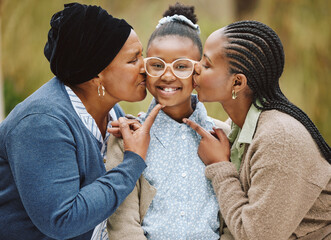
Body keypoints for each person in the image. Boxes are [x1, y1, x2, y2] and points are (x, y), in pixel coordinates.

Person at [0, 3, 162, 240]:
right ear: (96, 74)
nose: (145, 67)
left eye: (142, 55)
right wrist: (132, 161)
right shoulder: (41, 123)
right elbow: (62, 219)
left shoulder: (112, 112)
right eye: (133, 60)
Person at [184, 20, 331, 240]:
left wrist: (220, 167)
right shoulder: (244, 124)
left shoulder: (280, 140)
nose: (195, 66)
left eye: (206, 64)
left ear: (237, 83)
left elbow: (256, 236)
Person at [106, 3, 231, 240]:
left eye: (182, 66)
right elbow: (122, 224)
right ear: (145, 68)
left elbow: (234, 221)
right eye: (157, 65)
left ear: (198, 73)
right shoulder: (128, 138)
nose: (168, 75)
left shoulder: (223, 135)